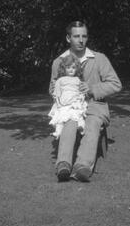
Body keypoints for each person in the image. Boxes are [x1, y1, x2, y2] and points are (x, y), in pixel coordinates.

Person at [49, 20, 122, 182]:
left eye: (84, 36)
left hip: (95, 105)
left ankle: (82, 166)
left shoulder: (99, 59)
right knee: (69, 122)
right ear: (68, 38)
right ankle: (63, 165)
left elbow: (116, 84)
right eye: (76, 36)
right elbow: (52, 88)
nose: (81, 40)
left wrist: (92, 88)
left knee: (92, 122)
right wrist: (65, 95)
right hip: (70, 107)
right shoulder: (59, 61)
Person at [48, 54, 87, 139]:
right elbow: (57, 93)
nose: (71, 70)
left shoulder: (78, 80)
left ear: (77, 69)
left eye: (73, 68)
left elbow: (81, 91)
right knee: (60, 118)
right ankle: (57, 132)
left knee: (78, 115)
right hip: (63, 102)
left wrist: (81, 98)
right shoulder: (60, 80)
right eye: (68, 68)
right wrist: (58, 103)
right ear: (64, 69)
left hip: (74, 102)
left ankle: (81, 127)